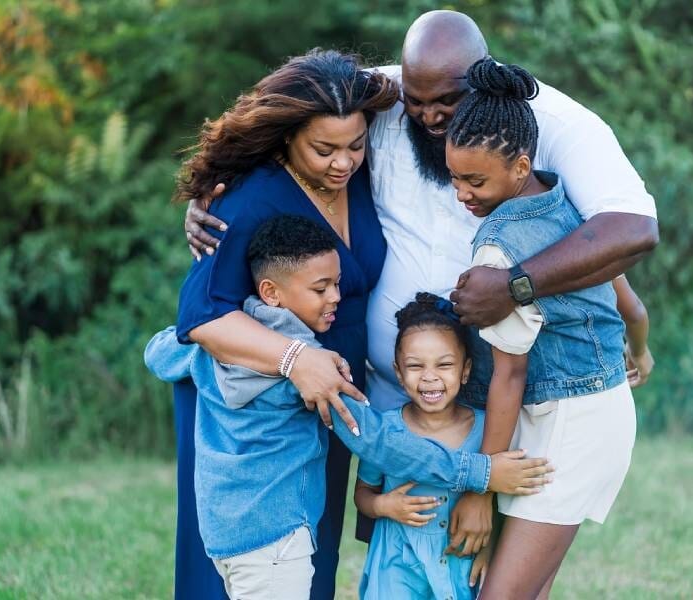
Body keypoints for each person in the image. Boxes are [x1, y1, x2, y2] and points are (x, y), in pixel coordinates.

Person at [184, 8, 659, 589]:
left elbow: (630, 238)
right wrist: (216, 184)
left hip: (524, 403)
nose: (430, 117)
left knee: (493, 582)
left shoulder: (548, 134)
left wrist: (518, 289)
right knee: (433, 570)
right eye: (418, 103)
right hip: (408, 405)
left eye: (446, 105)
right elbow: (296, 109)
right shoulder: (385, 100)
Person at [145, 216, 548, 600]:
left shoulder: (216, 345)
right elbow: (377, 442)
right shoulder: (312, 371)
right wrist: (483, 471)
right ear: (272, 293)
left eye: (337, 283)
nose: (336, 296)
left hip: (224, 532)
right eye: (321, 288)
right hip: (278, 536)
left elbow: (159, 354)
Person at [170, 49, 402, 600]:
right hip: (253, 412)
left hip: (327, 396)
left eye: (355, 145)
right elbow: (200, 318)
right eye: (324, 149)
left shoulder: (361, 182)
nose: (343, 163)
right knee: (246, 559)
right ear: (285, 138)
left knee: (309, 558)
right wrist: (297, 360)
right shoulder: (247, 200)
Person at [444, 56, 641, 598]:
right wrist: (637, 341)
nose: (462, 193)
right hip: (590, 412)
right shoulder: (560, 199)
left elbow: (510, 376)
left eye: (475, 180)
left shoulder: (498, 249)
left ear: (520, 164)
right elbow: (620, 293)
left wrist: (480, 489)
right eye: (455, 177)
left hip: (569, 428)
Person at [355, 293, 521, 599]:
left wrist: (491, 550)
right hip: (397, 564)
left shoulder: (489, 430)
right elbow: (363, 494)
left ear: (466, 370)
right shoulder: (386, 431)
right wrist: (382, 505)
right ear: (399, 374)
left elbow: (503, 504)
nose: (430, 377)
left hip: (462, 561)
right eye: (416, 366)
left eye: (444, 365)